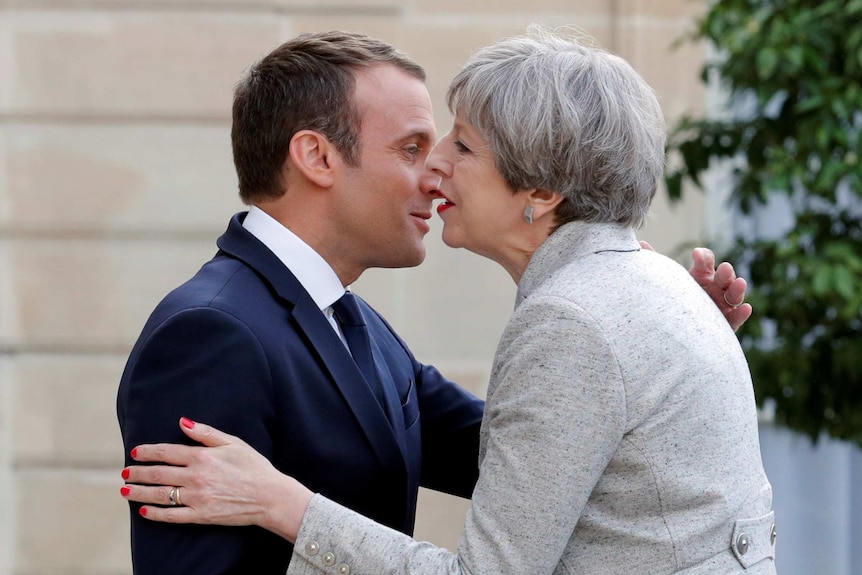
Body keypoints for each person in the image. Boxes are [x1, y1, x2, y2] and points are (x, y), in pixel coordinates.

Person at [118, 29, 762, 574]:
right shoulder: (210, 332)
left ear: (537, 189)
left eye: (456, 147)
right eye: (412, 148)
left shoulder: (353, 318)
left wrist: (653, 351)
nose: (436, 172)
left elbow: (535, 455)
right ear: (316, 156)